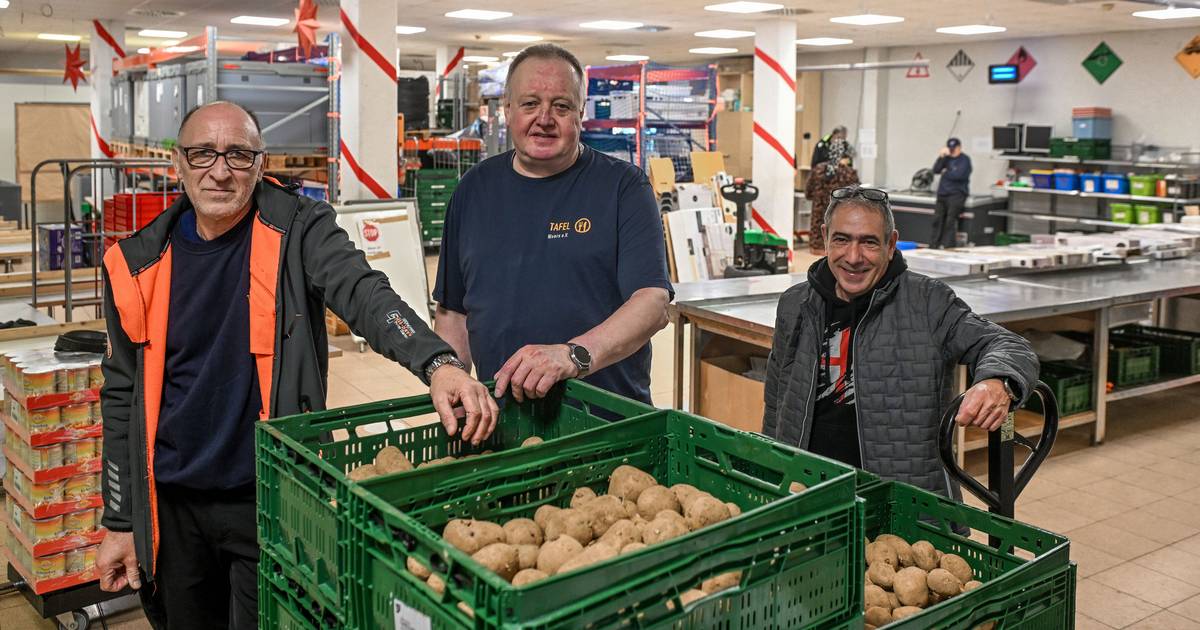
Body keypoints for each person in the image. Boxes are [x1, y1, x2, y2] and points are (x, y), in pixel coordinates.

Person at [96, 101, 498, 629]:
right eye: (203, 154)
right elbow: (122, 397)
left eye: (239, 155)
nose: (220, 171)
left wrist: (438, 362)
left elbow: (366, 295)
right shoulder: (135, 263)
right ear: (178, 164)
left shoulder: (299, 229)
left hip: (269, 497)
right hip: (173, 506)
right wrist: (121, 520)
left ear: (261, 165)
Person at [433, 44, 673, 405]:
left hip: (604, 418)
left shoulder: (624, 187)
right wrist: (451, 378)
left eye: (560, 106)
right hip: (501, 418)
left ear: (580, 113)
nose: (544, 118)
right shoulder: (473, 189)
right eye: (530, 103)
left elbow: (652, 303)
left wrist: (573, 355)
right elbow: (453, 311)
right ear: (507, 110)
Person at [762, 186, 1037, 499]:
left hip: (901, 499)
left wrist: (999, 382)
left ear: (891, 244)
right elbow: (776, 400)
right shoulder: (796, 303)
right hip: (807, 489)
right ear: (825, 237)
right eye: (842, 239)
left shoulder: (928, 301)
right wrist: (773, 473)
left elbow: (1007, 345)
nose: (853, 257)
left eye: (869, 242)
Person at [803, 138, 859, 254]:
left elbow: (808, 193)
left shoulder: (817, 170)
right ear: (845, 155)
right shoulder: (849, 173)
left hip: (816, 242)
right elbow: (857, 198)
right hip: (838, 242)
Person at [931, 137, 972, 249]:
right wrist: (941, 157)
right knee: (937, 220)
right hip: (942, 194)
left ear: (959, 148)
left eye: (954, 148)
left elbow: (959, 175)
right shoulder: (946, 159)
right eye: (950, 148)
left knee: (950, 221)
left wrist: (946, 172)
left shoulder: (965, 160)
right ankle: (934, 245)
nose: (952, 150)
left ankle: (948, 246)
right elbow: (936, 170)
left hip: (956, 194)